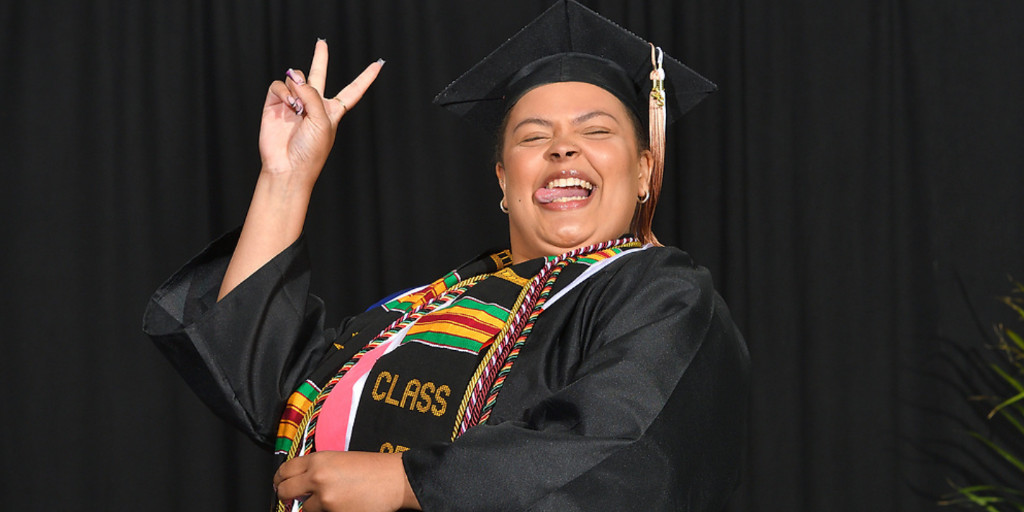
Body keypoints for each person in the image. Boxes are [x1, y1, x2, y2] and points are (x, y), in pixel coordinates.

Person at [143, 1, 749, 510]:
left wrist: (406, 481)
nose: (564, 149)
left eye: (596, 132)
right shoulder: (430, 310)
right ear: (504, 181)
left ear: (644, 170)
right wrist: (286, 177)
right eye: (533, 136)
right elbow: (266, 381)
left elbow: (626, 452)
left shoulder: (660, 291)